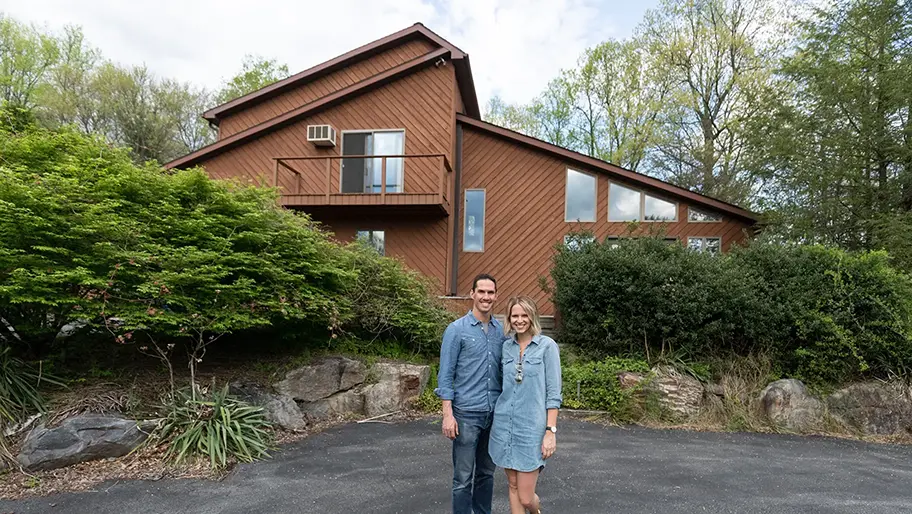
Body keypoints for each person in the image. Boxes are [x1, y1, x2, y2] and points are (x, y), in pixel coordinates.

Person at [435, 273, 508, 514]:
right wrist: (448, 414)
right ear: (472, 294)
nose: (486, 297)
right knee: (463, 478)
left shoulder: (500, 332)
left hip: (494, 414)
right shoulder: (456, 330)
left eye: (491, 292)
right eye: (482, 292)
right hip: (466, 414)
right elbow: (446, 375)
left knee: (486, 474)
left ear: (496, 296)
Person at [489, 296, 562, 514]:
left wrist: (550, 431)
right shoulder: (506, 347)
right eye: (515, 316)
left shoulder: (547, 347)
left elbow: (553, 393)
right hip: (504, 426)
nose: (519, 320)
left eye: (524, 315)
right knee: (512, 486)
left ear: (532, 317)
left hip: (531, 430)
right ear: (509, 319)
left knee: (526, 497)